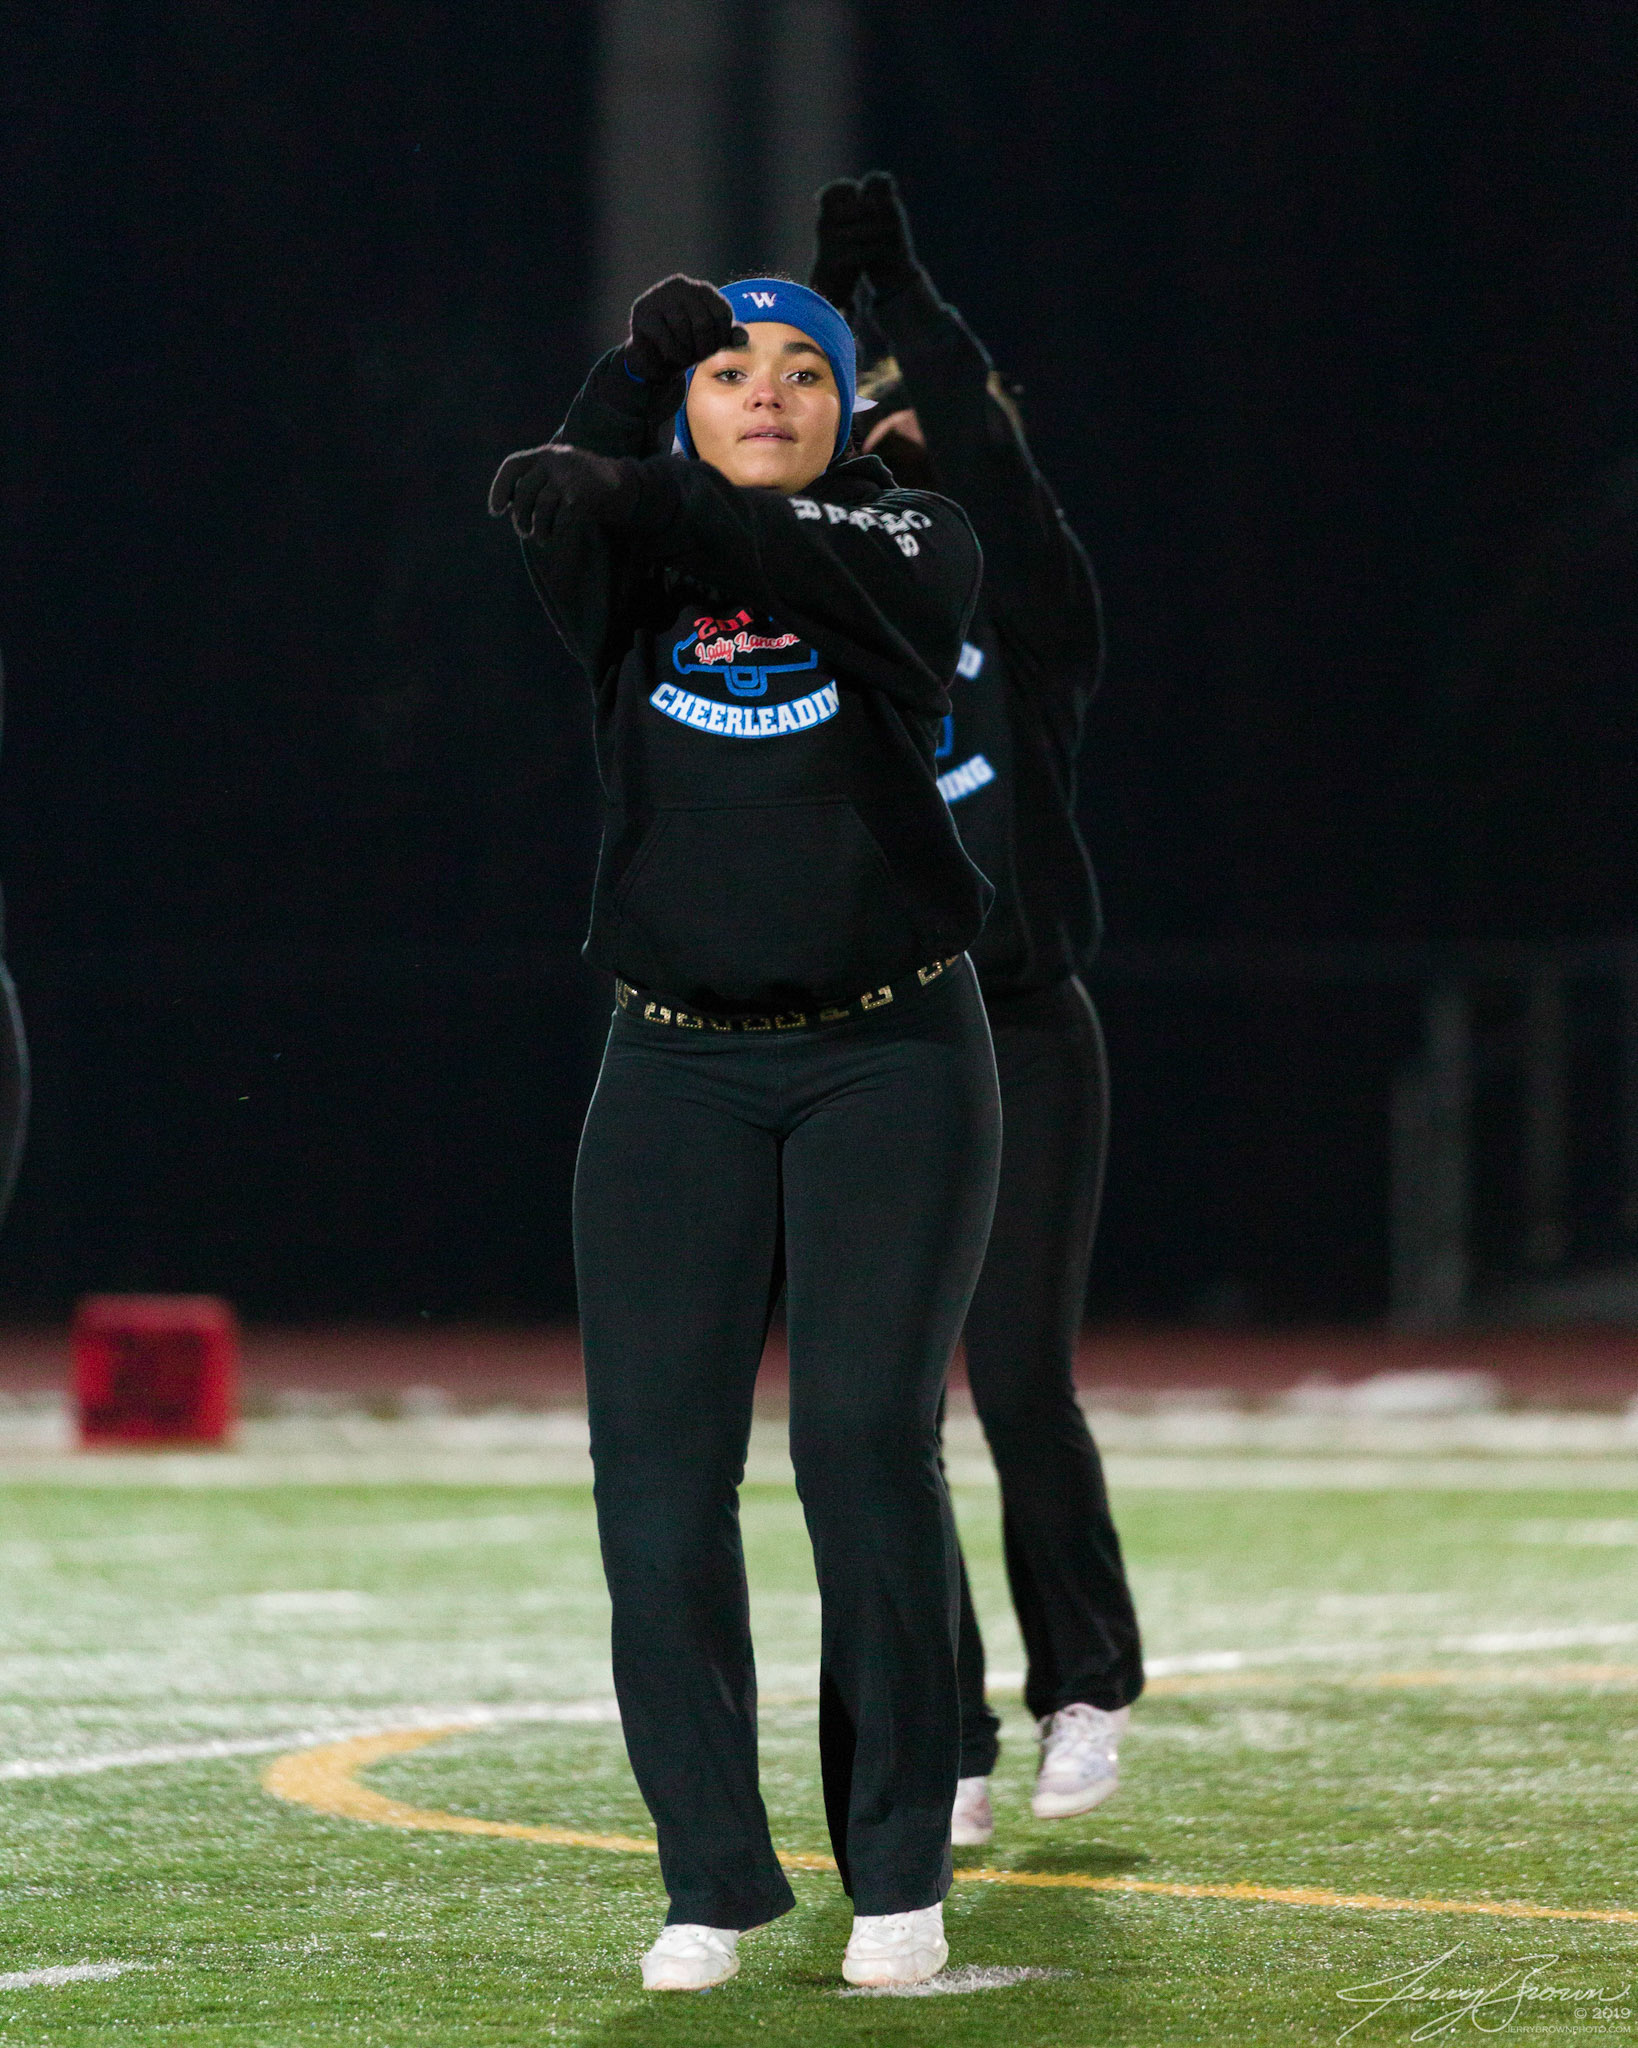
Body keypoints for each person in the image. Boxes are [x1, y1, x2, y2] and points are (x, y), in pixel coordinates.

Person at [489, 273, 1002, 1991]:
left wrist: (637, 459)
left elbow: (748, 538)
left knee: (861, 1446)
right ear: (686, 405)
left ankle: (898, 1871)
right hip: (673, 1070)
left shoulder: (909, 533)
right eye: (724, 370)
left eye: (800, 371)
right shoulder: (633, 565)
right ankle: (708, 1878)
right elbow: (562, 505)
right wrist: (615, 383)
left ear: (846, 409)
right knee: (650, 1477)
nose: (764, 391)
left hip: (891, 1060)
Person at [811, 174, 1145, 1849]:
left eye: (924, 427)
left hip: (1017, 1030)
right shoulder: (829, 622)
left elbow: (986, 474)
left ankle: (1082, 1688)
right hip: (872, 1039)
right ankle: (940, 1727)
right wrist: (812, 346)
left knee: (1015, 1379)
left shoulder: (1031, 618)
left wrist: (907, 312)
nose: (901, 448)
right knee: (882, 1410)